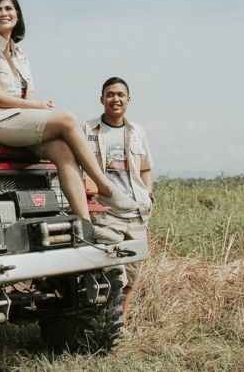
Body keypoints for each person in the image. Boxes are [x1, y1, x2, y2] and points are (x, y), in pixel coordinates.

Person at [0, 0, 137, 221]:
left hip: (18, 121)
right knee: (67, 119)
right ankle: (105, 186)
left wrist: (35, 108)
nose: (3, 13)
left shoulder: (21, 55)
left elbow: (27, 97)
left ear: (18, 15)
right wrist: (34, 105)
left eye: (9, 8)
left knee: (63, 150)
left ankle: (85, 224)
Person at [83, 76, 154, 329]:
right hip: (105, 211)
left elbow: (145, 168)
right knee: (111, 270)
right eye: (110, 94)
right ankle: (101, 322)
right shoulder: (87, 130)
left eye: (120, 95)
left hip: (135, 211)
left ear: (128, 100)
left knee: (133, 274)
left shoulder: (137, 132)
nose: (116, 99)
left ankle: (119, 323)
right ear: (102, 99)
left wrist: (148, 195)